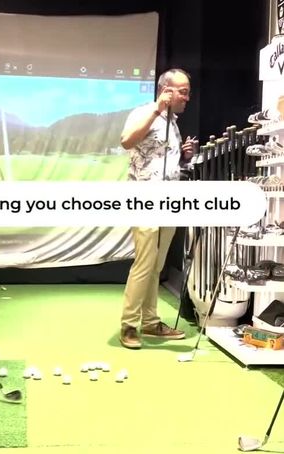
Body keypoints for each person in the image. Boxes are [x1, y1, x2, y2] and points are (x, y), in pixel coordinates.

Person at [119, 68, 194, 349]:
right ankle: (129, 324)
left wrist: (184, 157)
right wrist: (156, 110)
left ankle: (150, 322)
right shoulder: (144, 112)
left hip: (168, 202)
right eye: (183, 91)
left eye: (187, 92)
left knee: (157, 265)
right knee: (144, 262)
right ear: (166, 90)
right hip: (144, 199)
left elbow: (163, 162)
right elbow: (127, 141)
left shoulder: (173, 123)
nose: (187, 97)